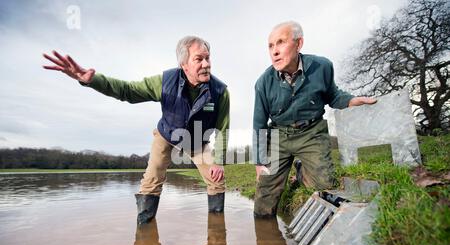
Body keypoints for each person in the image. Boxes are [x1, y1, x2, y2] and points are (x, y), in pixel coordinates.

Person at [43, 36, 230, 224]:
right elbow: (128, 91)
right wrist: (93, 80)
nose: (206, 64)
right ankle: (144, 229)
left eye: (208, 58)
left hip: (197, 140)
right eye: (199, 59)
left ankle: (217, 237)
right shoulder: (165, 82)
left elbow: (223, 128)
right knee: (151, 181)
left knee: (217, 179)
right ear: (184, 64)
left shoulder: (220, 92)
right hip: (167, 135)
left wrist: (219, 162)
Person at [252, 21, 376, 218]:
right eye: (270, 46)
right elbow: (259, 125)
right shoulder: (263, 83)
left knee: (325, 187)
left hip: (312, 133)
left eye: (281, 42)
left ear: (299, 43)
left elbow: (333, 96)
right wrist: (259, 162)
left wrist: (351, 100)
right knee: (263, 204)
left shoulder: (322, 67)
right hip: (278, 137)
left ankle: (302, 172)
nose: (274, 51)